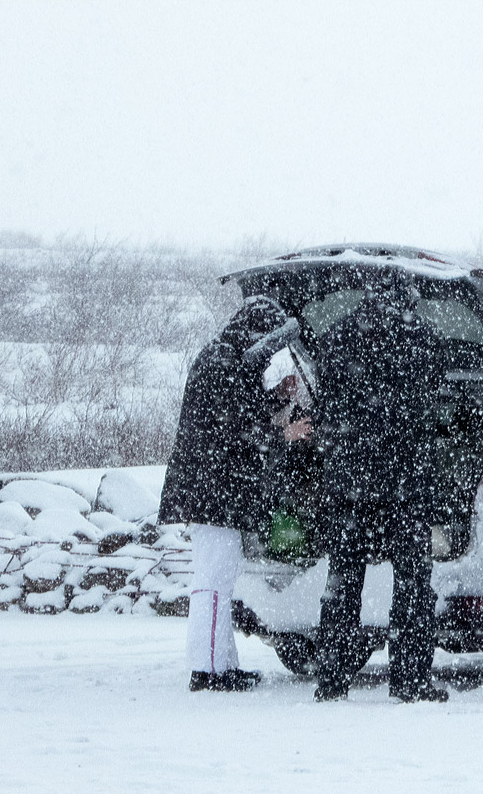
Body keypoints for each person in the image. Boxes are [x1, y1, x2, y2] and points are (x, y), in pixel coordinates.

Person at [159, 296, 311, 692]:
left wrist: (278, 397)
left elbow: (244, 412)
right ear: (258, 332)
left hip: (214, 489)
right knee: (213, 580)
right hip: (213, 491)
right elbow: (238, 428)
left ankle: (221, 664)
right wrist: (285, 433)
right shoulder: (223, 365)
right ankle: (207, 671)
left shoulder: (226, 359)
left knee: (219, 579)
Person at [312, 270, 450, 703]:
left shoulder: (336, 336)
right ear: (407, 300)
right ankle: (409, 680)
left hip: (350, 483)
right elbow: (435, 398)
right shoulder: (423, 337)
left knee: (343, 580)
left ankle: (332, 679)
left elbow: (325, 404)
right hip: (405, 483)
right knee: (412, 581)